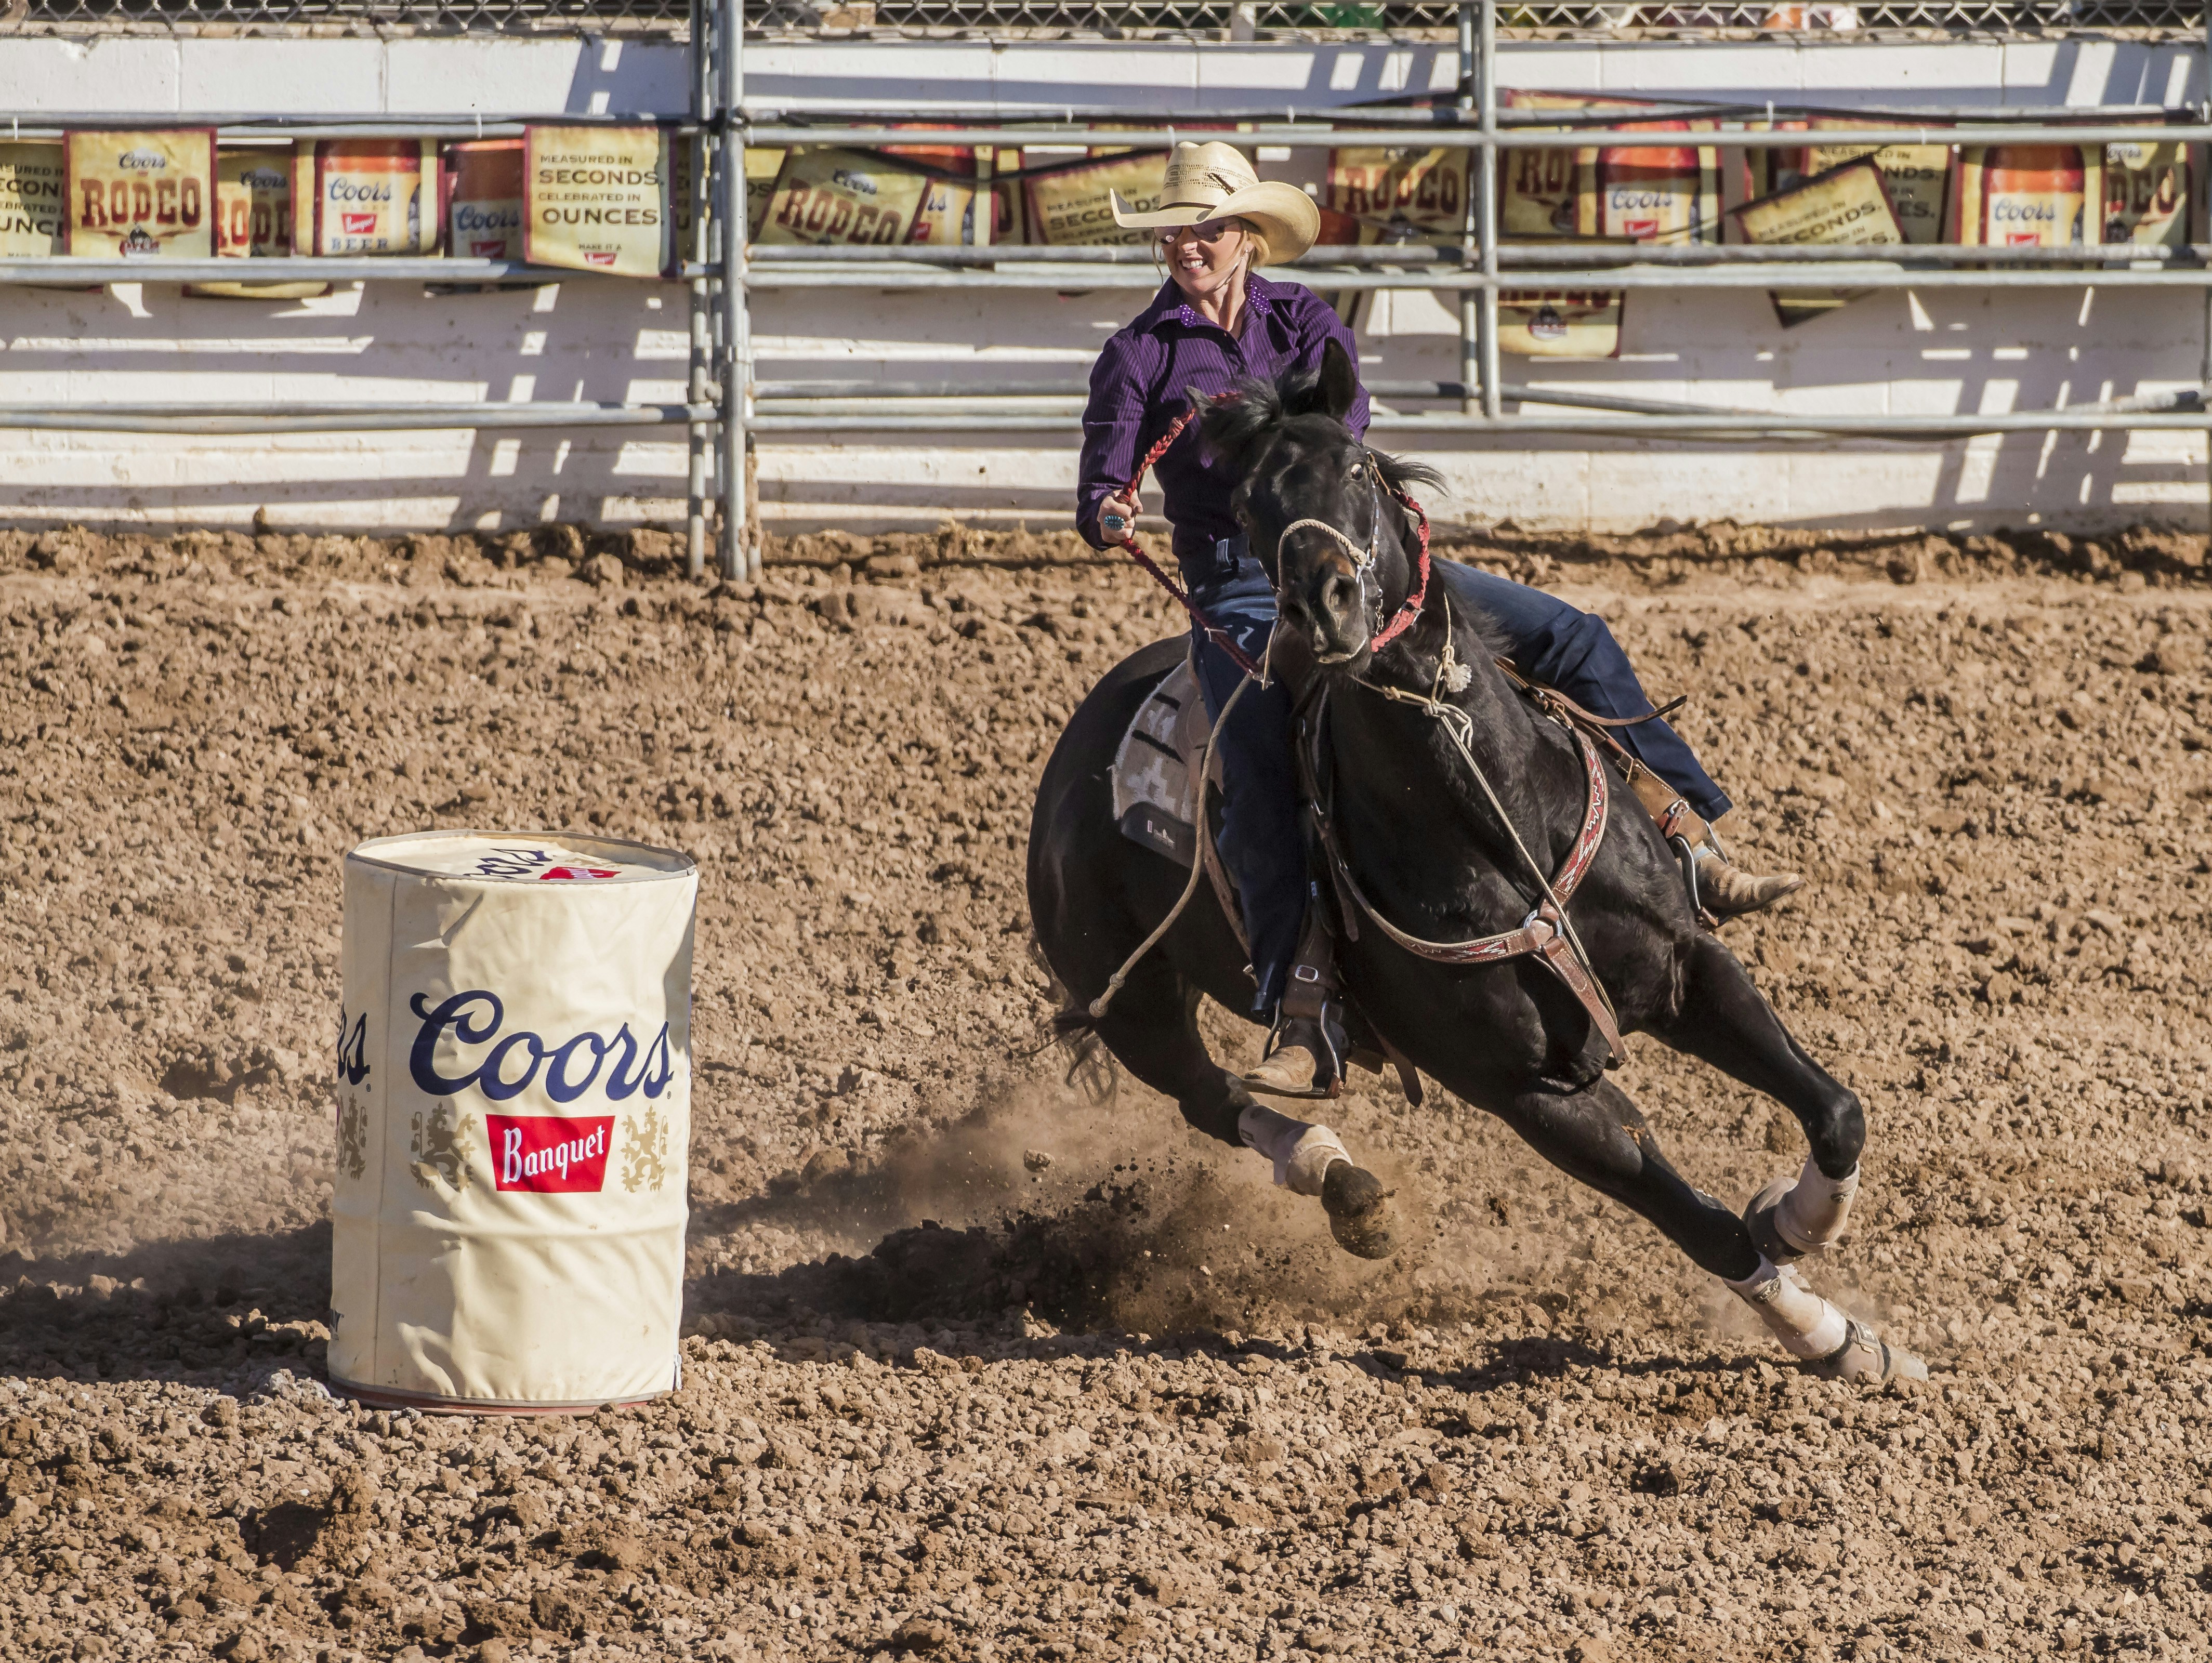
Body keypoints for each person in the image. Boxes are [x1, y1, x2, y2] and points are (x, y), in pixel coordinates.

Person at [1075, 141, 1800, 1095]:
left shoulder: (1305, 322)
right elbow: (1101, 482)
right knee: (1253, 745)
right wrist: (1109, 510)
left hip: (1352, 556)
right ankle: (1305, 1005)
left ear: (1247, 237)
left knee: (1567, 635)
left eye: (1205, 227)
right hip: (1243, 586)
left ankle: (1689, 838)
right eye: (1173, 230)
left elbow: (1349, 431)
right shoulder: (1140, 357)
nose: (1187, 244)